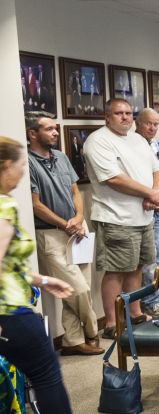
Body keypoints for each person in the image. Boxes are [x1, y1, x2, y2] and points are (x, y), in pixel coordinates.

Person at [0, 136, 121, 414]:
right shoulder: (3, 206)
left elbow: (5, 264)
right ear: (7, 167)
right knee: (45, 372)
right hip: (8, 311)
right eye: (23, 167)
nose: (24, 173)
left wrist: (40, 279)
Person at [83, 98, 159, 339]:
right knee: (116, 271)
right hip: (115, 217)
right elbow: (113, 179)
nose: (125, 117)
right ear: (107, 116)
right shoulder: (98, 141)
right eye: (119, 113)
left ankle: (135, 312)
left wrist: (156, 193)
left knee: (137, 266)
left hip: (143, 215)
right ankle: (111, 322)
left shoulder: (138, 139)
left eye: (129, 113)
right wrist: (149, 192)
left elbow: (156, 169)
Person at [26, 113, 100, 355]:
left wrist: (79, 218)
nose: (55, 133)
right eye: (48, 129)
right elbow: (35, 204)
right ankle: (92, 332)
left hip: (78, 230)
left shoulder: (60, 156)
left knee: (83, 286)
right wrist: (64, 224)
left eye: (56, 128)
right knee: (76, 290)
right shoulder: (28, 162)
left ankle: (72, 341)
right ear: (33, 133)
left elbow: (75, 191)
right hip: (51, 235)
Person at [133, 108, 159, 318]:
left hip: (158, 209)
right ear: (138, 123)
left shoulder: (154, 144)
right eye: (148, 123)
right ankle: (150, 302)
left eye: (156, 124)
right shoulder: (133, 145)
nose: (153, 128)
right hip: (142, 209)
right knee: (148, 261)